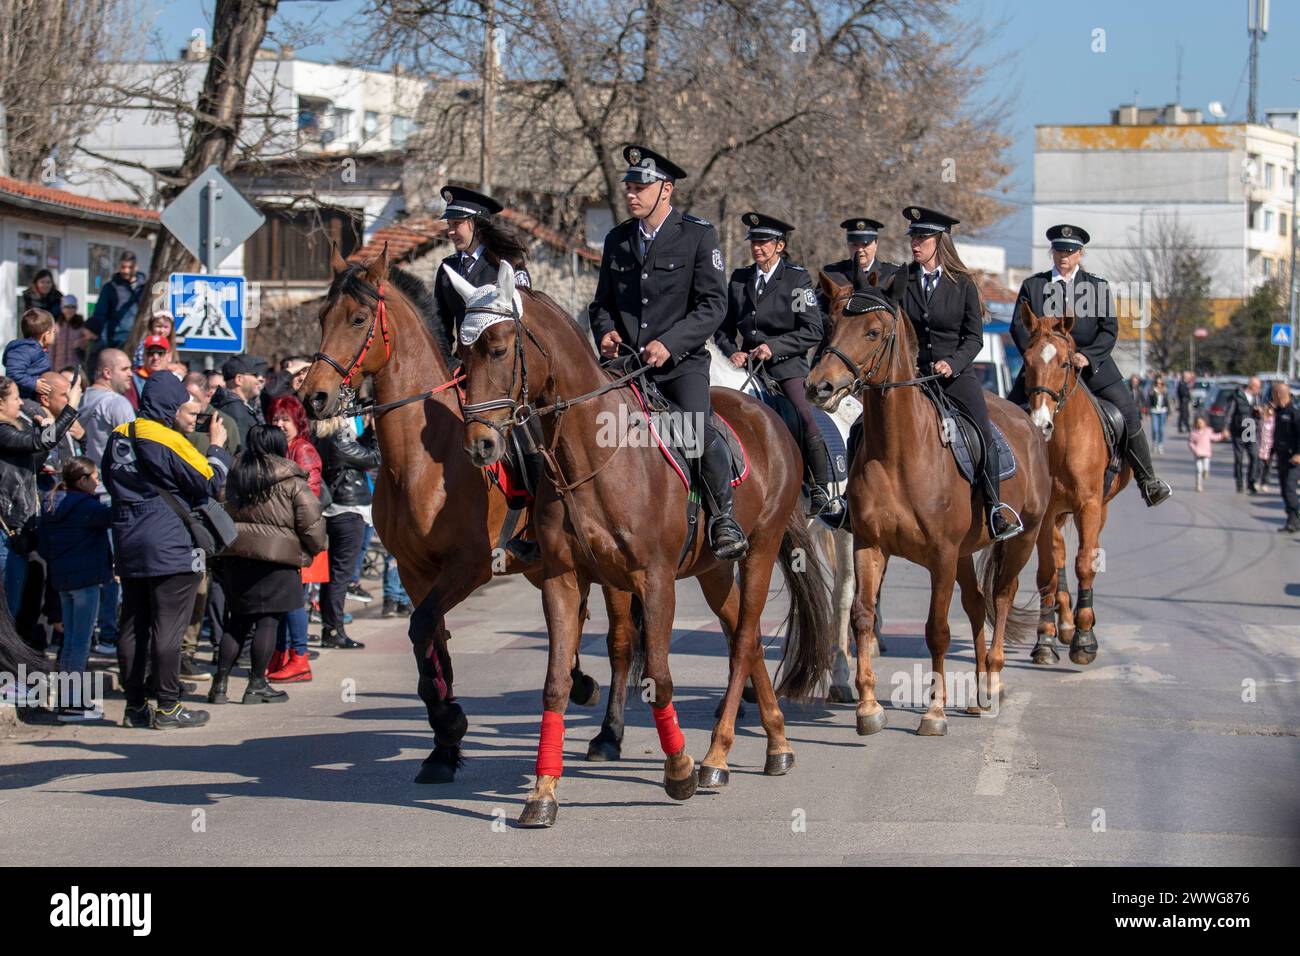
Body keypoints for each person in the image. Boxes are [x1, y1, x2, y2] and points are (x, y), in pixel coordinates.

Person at [588, 144, 744, 558]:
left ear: (666, 190)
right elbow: (601, 303)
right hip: (623, 367)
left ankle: (723, 516)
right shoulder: (617, 239)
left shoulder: (697, 235)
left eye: (641, 186)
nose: (631, 193)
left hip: (681, 366)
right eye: (629, 186)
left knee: (695, 429)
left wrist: (670, 344)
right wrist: (604, 332)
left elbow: (713, 305)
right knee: (586, 428)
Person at [103, 372, 231, 729]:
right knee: (168, 629)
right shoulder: (169, 439)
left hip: (128, 541)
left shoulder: (119, 436)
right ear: (171, 406)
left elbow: (109, 481)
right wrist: (217, 448)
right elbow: (210, 481)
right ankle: (169, 707)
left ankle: (134, 707)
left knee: (132, 625)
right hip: (170, 544)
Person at [1008, 224, 1171, 506]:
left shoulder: (1097, 286)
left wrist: (1089, 356)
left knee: (1129, 412)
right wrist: (1038, 356)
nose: (1064, 256)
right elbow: (1017, 327)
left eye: (1070, 251)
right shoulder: (1034, 286)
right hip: (1045, 369)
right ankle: (1003, 487)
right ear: (1052, 252)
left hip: (1090, 366)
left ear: (1080, 254)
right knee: (1007, 414)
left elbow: (1109, 330)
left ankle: (1148, 480)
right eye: (1059, 250)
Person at [897, 205, 1021, 539]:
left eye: (923, 237)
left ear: (940, 241)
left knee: (982, 429)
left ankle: (995, 508)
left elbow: (974, 337)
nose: (916, 243)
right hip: (914, 377)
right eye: (913, 237)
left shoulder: (963, 284)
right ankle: (854, 503)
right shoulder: (903, 279)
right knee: (867, 426)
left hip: (955, 375)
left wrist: (952, 362)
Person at [712, 212, 834, 516]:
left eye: (764, 242)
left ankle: (821, 489)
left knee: (805, 416)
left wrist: (774, 347)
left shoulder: (795, 279)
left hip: (786, 369)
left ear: (780, 245)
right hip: (746, 367)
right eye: (754, 241)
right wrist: (731, 351)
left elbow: (812, 330)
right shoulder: (740, 279)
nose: (757, 247)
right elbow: (724, 329)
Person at [208, 425, 325, 705]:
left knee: (236, 623)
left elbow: (217, 508)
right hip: (278, 559)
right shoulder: (291, 478)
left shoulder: (234, 475)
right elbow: (311, 522)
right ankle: (257, 684)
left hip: (236, 557)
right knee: (267, 623)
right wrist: (314, 548)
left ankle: (219, 685)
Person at [36, 456, 113, 720]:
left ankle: (66, 701)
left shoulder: (50, 504)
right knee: (80, 642)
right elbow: (116, 518)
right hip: (85, 581)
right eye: (94, 477)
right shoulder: (87, 506)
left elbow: (43, 546)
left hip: (62, 580)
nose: (98, 482)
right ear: (82, 480)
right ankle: (73, 704)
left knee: (70, 641)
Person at [0, 373, 81, 620]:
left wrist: (42, 433)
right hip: (5, 533)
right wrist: (70, 408)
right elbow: (41, 442)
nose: (21, 403)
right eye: (15, 398)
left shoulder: (11, 431)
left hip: (17, 533)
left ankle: (16, 659)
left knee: (15, 610)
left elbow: (32, 457)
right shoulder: (2, 431)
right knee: (6, 614)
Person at [433, 185, 532, 350]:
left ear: (476, 224)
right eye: (449, 225)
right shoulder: (446, 269)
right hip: (464, 366)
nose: (450, 232)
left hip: (502, 366)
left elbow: (525, 321)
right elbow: (441, 329)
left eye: (456, 224)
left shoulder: (507, 265)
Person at [266, 394, 322, 682]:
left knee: (294, 600)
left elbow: (309, 498)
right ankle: (279, 653)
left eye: (285, 419)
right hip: (282, 535)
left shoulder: (304, 450)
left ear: (297, 422)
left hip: (298, 536)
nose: (279, 424)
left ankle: (299, 657)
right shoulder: (279, 450)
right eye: (275, 418)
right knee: (281, 599)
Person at [315, 413, 379, 648]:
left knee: (332, 575)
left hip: (337, 510)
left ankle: (330, 629)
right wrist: (374, 436)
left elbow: (358, 454)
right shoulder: (337, 440)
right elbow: (373, 457)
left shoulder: (325, 438)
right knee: (340, 575)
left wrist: (368, 433)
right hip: (348, 510)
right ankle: (335, 631)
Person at [821, 217, 901, 290]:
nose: (859, 249)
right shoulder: (832, 274)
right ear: (848, 244)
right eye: (855, 244)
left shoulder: (891, 274)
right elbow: (818, 305)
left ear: (876, 243)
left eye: (865, 244)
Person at [88, 251, 146, 350]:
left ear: (136, 267)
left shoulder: (145, 288)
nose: (126, 271)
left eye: (130, 267)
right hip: (117, 341)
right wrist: (98, 336)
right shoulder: (110, 287)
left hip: (141, 340)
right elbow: (100, 314)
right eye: (123, 267)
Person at [211, 355, 267, 448]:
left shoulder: (237, 406)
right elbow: (240, 453)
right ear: (239, 379)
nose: (260, 379)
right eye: (255, 374)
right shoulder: (235, 412)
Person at [3, 308, 56, 400]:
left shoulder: (38, 350)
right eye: (53, 332)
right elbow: (13, 373)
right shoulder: (24, 349)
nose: (55, 335)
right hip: (23, 398)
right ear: (46, 335)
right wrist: (33, 383)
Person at [1222, 377, 1263, 495]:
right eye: (1258, 387)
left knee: (1254, 456)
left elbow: (1259, 413)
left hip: (1251, 430)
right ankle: (1239, 482)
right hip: (1238, 430)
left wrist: (1259, 412)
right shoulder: (1237, 396)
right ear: (1252, 386)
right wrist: (1226, 428)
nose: (1259, 389)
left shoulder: (1257, 398)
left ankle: (1251, 482)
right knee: (1239, 459)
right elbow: (1229, 413)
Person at [1270, 383, 1300, 532]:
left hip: (1293, 458)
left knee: (1289, 488)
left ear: (1279, 394)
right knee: (1283, 490)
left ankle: (1295, 518)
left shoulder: (1294, 412)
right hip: (1281, 457)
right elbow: (1277, 435)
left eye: (1273, 394)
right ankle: (1291, 519)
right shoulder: (1279, 411)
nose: (1271, 397)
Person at [51, 295, 90, 373]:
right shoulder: (57, 326)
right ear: (62, 308)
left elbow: (88, 345)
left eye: (73, 307)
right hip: (58, 368)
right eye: (67, 307)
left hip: (75, 368)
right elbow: (51, 350)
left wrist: (82, 342)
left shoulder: (82, 326)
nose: (70, 310)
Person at [1187, 415, 1224, 493]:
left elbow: (1214, 437)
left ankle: (1206, 472)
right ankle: (1198, 485)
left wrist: (1222, 435)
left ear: (1205, 423)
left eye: (1201, 422)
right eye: (1198, 423)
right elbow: (1190, 443)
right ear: (1196, 424)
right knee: (1198, 470)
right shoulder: (1193, 433)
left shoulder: (1208, 431)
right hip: (1198, 454)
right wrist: (1194, 449)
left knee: (1206, 467)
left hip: (1206, 453)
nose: (1200, 424)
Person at [1148, 377, 1169, 455]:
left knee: (1161, 430)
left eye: (1160, 383)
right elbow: (1149, 401)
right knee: (1155, 429)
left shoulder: (1165, 391)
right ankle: (1154, 442)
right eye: (1157, 383)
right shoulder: (1153, 391)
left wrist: (1169, 413)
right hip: (1154, 411)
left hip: (1163, 411)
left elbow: (1167, 402)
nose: (1159, 385)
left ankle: (1160, 444)